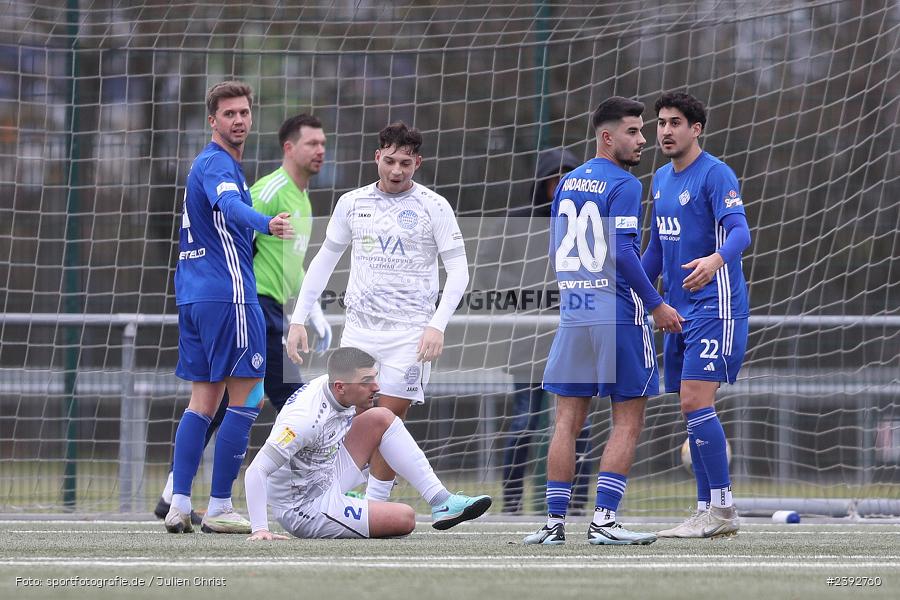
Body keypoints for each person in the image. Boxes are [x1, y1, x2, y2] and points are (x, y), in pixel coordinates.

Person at [153, 114, 331, 523]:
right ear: (288, 147)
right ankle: (241, 501)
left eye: (323, 143)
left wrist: (309, 309)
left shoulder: (301, 198)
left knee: (218, 399)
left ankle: (176, 496)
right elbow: (232, 223)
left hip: (245, 304)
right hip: (247, 302)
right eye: (312, 143)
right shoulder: (264, 188)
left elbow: (292, 263)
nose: (320, 150)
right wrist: (261, 230)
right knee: (273, 399)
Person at [524, 97, 683, 545]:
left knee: (565, 424)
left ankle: (554, 525)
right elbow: (624, 252)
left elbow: (556, 250)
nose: (643, 139)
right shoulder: (626, 184)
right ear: (607, 137)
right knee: (627, 420)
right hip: (618, 314)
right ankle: (604, 522)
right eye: (633, 132)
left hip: (576, 313)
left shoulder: (567, 183)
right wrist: (655, 303)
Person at [285, 122, 470, 502]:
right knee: (357, 420)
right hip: (359, 331)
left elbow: (460, 272)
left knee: (389, 417)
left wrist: (436, 326)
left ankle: (375, 501)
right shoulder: (352, 203)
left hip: (410, 333)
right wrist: (298, 319)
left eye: (405, 162)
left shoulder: (434, 206)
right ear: (377, 157)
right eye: (389, 161)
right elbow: (322, 261)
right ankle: (341, 495)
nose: (396, 170)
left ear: (417, 162)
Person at [167, 81, 293, 534]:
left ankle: (179, 501)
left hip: (195, 296)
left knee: (202, 401)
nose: (239, 120)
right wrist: (267, 223)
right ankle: (219, 505)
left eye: (244, 112)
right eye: (229, 114)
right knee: (249, 397)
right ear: (213, 120)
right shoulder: (218, 163)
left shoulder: (205, 163)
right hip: (231, 296)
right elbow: (230, 205)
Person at [643, 91, 751, 538]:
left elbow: (741, 232)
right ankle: (709, 509)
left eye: (675, 123)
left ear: (696, 129)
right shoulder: (661, 180)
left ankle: (722, 510)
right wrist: (634, 292)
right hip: (677, 310)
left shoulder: (715, 174)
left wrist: (714, 261)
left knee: (695, 401)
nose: (665, 130)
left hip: (716, 305)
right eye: (661, 123)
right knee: (690, 408)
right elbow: (654, 248)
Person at [244, 347, 492, 540]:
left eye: (374, 378)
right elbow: (257, 470)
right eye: (367, 381)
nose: (377, 386)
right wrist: (259, 529)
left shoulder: (335, 386)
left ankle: (442, 501)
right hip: (305, 507)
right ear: (341, 387)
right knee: (405, 518)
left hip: (326, 474)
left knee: (382, 417)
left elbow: (362, 418)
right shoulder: (303, 420)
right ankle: (362, 506)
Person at [502, 148, 594, 514]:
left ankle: (576, 505)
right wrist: (537, 294)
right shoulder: (517, 223)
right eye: (553, 180)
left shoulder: (586, 225)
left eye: (566, 179)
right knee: (524, 422)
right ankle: (511, 505)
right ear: (541, 183)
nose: (559, 187)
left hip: (573, 340)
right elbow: (495, 277)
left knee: (578, 426)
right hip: (527, 345)